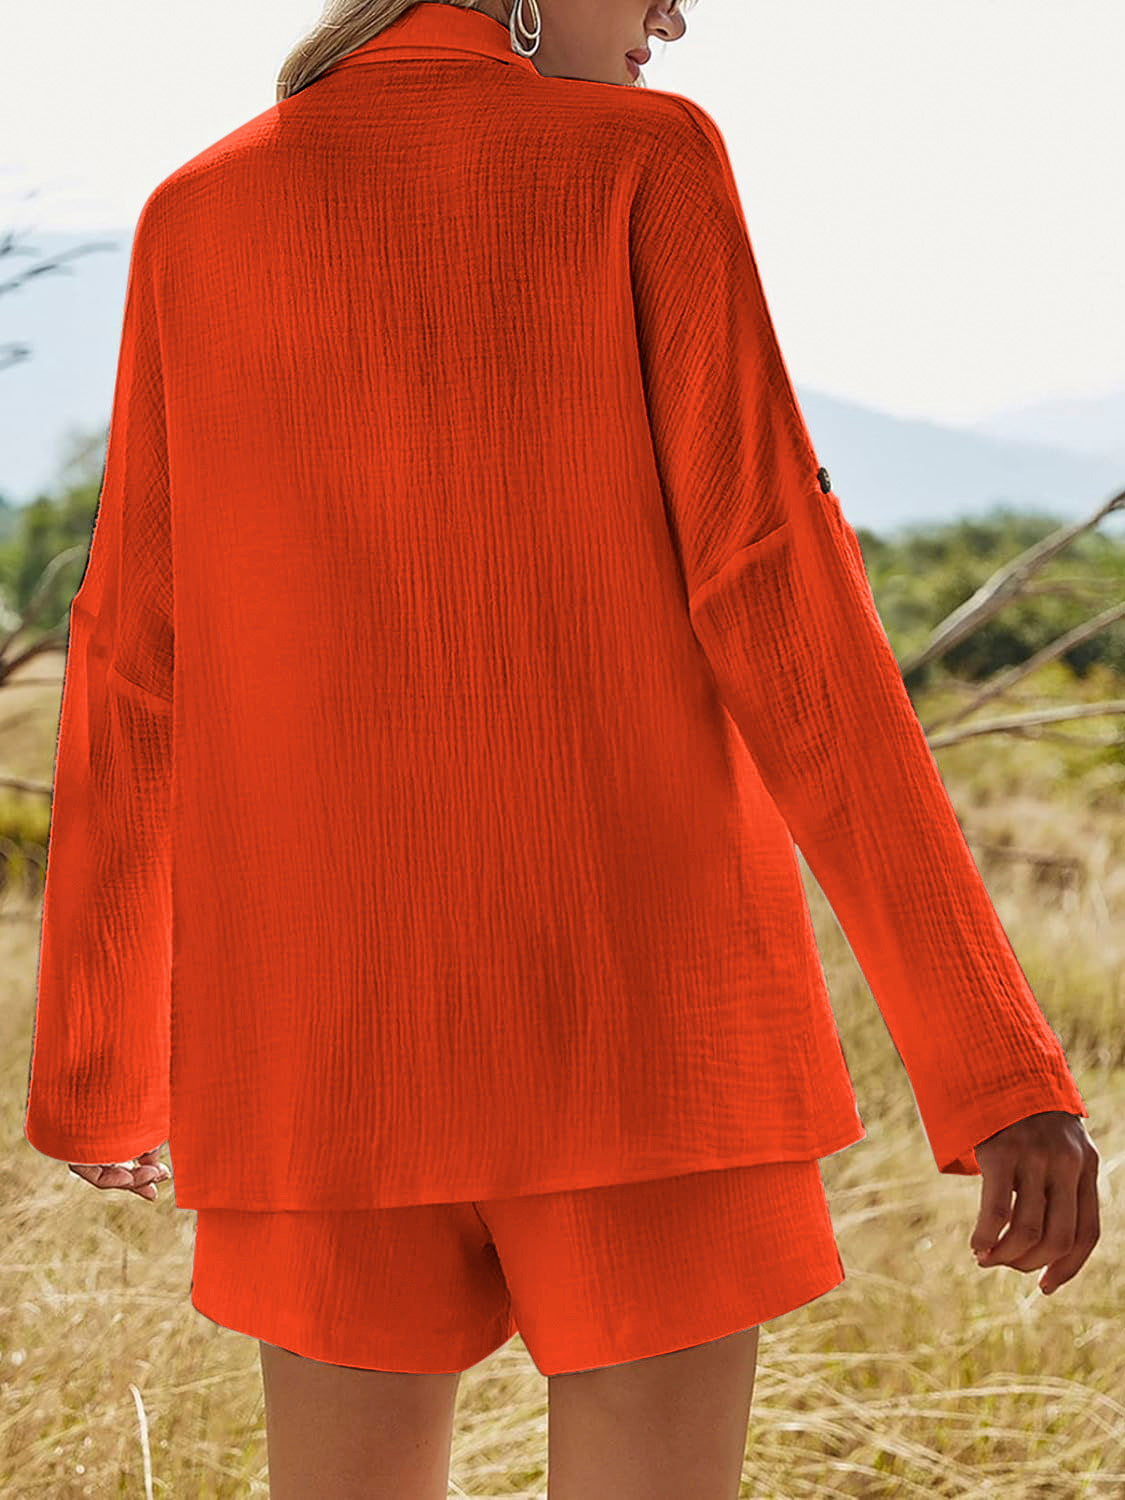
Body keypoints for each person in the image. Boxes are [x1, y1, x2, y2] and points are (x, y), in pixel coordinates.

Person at [27, 2, 1099, 1497]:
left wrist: (99, 1058)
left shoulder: (196, 212)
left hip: (321, 1058)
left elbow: (133, 649)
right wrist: (996, 1067)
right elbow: (780, 600)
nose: (674, 15)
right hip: (641, 1034)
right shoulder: (642, 161)